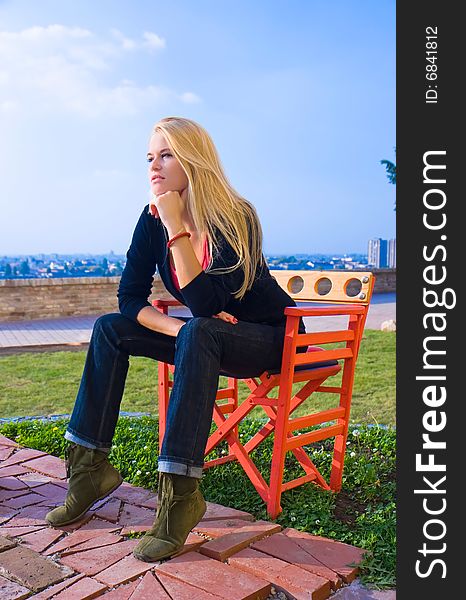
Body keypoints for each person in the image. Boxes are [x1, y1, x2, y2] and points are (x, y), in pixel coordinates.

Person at [45, 116, 306, 562]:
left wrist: (176, 226)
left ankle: (181, 498)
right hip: (205, 339)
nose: (154, 167)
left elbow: (207, 302)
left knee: (202, 328)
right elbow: (130, 298)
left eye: (166, 155)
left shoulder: (236, 216)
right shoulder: (150, 221)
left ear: (193, 159)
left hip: (269, 337)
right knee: (110, 327)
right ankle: (87, 470)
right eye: (150, 157)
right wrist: (179, 328)